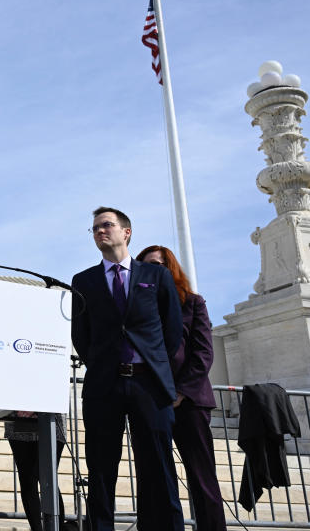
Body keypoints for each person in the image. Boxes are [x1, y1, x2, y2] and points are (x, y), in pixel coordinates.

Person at [70, 206, 183, 530]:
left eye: (106, 225)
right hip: (105, 385)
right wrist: (104, 363)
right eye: (94, 228)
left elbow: (172, 330)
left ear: (126, 232)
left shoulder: (156, 276)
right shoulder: (84, 280)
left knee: (158, 466)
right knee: (102, 468)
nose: (100, 232)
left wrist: (152, 362)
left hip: (149, 384)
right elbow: (81, 333)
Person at [136, 245, 226, 531]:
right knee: (155, 475)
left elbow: (203, 354)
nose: (154, 270)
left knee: (201, 477)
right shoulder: (138, 308)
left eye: (159, 264)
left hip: (189, 401)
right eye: (147, 265)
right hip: (152, 400)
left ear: (170, 267)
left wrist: (181, 392)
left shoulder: (193, 303)